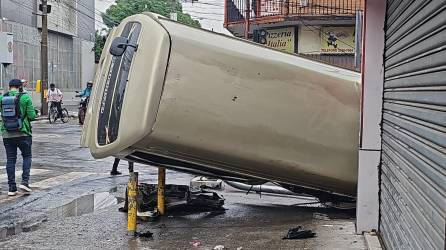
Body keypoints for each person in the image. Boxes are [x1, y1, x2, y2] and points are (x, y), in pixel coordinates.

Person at [0, 79, 37, 196]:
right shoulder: (25, 98)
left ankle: (11, 188)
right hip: (23, 132)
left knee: (11, 159)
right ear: (20, 87)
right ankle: (24, 182)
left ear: (10, 87)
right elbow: (31, 116)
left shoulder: (2, 98)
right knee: (27, 156)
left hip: (6, 133)